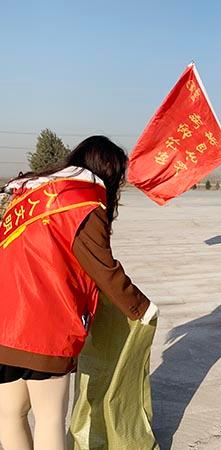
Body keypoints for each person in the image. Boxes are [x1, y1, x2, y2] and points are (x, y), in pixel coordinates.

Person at [0, 136, 158, 450]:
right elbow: (104, 268)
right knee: (48, 420)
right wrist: (140, 308)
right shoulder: (83, 202)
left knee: (10, 415)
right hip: (45, 329)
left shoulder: (23, 193)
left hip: (4, 325)